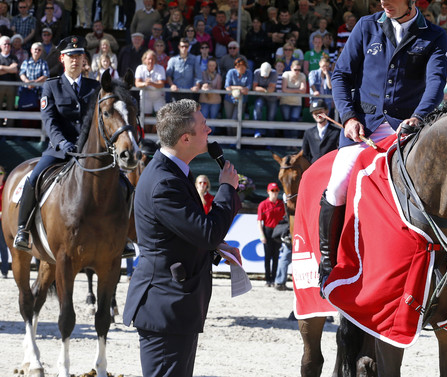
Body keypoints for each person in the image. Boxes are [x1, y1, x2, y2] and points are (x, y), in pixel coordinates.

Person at [319, 0, 447, 291]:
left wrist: (418, 117)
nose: (384, 3)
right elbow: (342, 74)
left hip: (409, 129)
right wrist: (347, 117)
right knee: (336, 186)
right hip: (363, 126)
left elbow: (435, 83)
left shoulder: (434, 36)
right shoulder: (366, 27)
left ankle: (438, 267)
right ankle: (327, 262)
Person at [123, 99, 241, 377]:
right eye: (203, 126)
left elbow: (184, 232)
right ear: (186, 138)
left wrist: (213, 248)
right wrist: (227, 189)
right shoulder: (165, 181)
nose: (209, 130)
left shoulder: (173, 172)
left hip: (175, 307)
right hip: (165, 308)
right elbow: (207, 231)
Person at [11, 36, 133, 257]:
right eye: (70, 56)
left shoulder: (95, 87)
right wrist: (62, 143)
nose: (75, 60)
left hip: (91, 152)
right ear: (62, 59)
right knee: (33, 178)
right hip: (60, 150)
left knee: (124, 184)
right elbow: (50, 121)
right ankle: (23, 229)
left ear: (84, 60)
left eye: (78, 56)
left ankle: (122, 235)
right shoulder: (51, 85)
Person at [257, 182, 285, 288]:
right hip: (267, 231)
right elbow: (259, 221)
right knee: (268, 256)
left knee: (276, 256)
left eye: (276, 190)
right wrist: (262, 235)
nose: (274, 193)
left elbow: (285, 218)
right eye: (272, 191)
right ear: (268, 192)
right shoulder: (263, 205)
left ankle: (274, 279)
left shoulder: (281, 204)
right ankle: (268, 279)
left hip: (278, 232)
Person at [302, 98, 340, 164]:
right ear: (313, 116)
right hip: (314, 166)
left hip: (331, 166)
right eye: (315, 113)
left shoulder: (337, 132)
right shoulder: (308, 133)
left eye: (320, 112)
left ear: (327, 111)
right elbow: (306, 154)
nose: (318, 115)